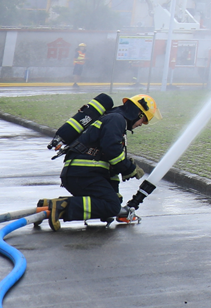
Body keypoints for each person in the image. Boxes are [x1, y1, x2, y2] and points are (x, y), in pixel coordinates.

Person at [42, 93, 156, 228]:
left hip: (80, 174)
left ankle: (47, 206)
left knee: (111, 204)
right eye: (143, 120)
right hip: (84, 174)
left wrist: (115, 195)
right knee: (111, 206)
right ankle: (60, 206)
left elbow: (109, 163)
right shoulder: (116, 120)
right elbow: (112, 151)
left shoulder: (111, 119)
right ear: (138, 114)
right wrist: (129, 168)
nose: (142, 124)